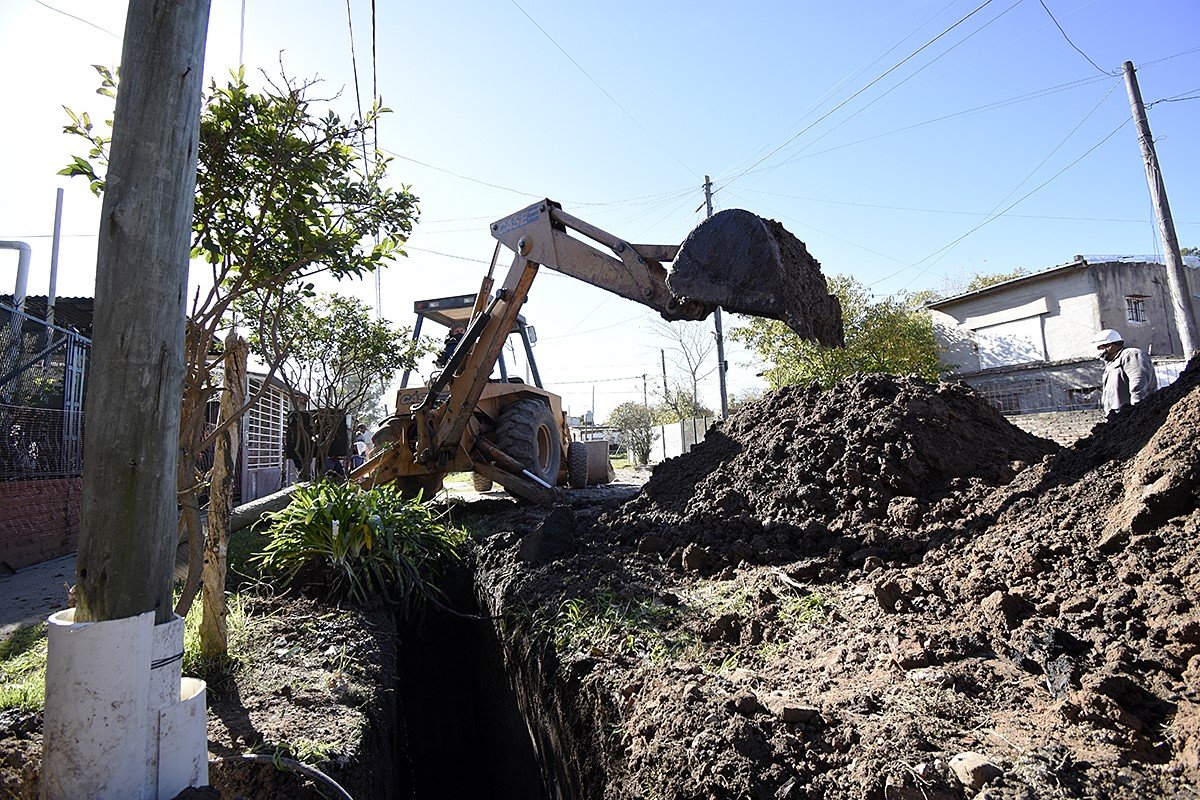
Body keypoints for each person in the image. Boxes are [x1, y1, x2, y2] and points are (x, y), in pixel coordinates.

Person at [1093, 328, 1157, 419]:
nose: (1098, 352)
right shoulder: (1111, 363)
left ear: (1110, 345)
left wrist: (1137, 410)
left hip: (1131, 414)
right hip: (1117, 415)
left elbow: (1138, 383)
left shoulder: (1132, 355)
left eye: (1099, 348)